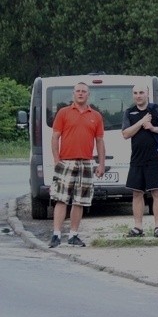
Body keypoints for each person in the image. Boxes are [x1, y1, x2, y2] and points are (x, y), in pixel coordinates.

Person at [48, 82, 106, 248]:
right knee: (61, 199)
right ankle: (56, 235)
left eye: (84, 91)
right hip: (66, 161)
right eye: (78, 91)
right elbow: (55, 137)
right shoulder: (63, 113)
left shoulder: (96, 115)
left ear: (89, 95)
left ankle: (73, 235)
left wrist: (101, 163)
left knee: (80, 200)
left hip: (86, 162)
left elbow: (100, 141)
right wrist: (56, 159)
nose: (80, 94)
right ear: (73, 94)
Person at [122, 83, 158, 238]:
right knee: (137, 193)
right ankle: (138, 227)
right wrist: (141, 123)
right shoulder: (129, 112)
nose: (138, 95)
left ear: (147, 93)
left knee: (157, 192)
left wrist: (153, 128)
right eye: (135, 93)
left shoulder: (157, 110)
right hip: (137, 159)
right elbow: (126, 133)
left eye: (141, 92)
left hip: (155, 158)